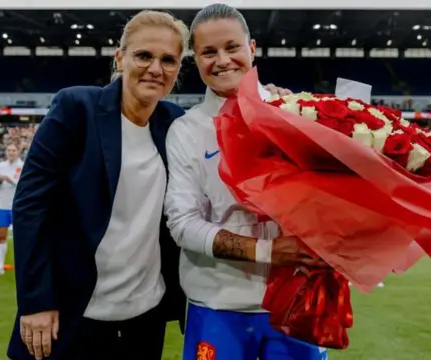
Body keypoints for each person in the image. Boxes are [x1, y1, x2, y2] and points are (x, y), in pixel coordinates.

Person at [6, 10, 190, 360]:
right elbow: (30, 205)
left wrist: (269, 98)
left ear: (178, 69)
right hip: (72, 314)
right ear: (120, 58)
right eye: (144, 55)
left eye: (168, 60)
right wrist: (36, 301)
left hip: (145, 317)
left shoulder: (176, 124)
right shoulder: (76, 108)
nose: (155, 68)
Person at [164, 4, 329, 360]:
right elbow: (182, 223)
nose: (222, 60)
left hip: (296, 300)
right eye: (209, 52)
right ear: (196, 58)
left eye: (232, 47)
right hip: (218, 304)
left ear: (251, 49)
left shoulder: (295, 112)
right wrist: (268, 251)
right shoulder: (187, 130)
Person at [0, 143, 23, 278]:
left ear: (18, 152)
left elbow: (24, 184)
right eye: (9, 150)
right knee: (1, 236)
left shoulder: (23, 166)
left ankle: (23, 267)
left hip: (18, 206)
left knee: (21, 238)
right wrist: (0, 181)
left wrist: (11, 180)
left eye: (13, 150)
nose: (11, 152)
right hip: (1, 205)